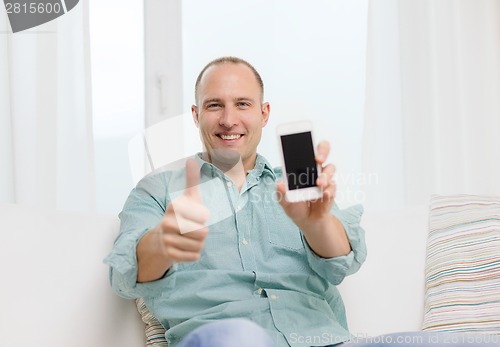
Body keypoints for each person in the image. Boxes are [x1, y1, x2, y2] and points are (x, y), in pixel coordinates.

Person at [104, 57, 496, 347]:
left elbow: (345, 258)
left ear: (264, 112)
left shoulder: (297, 185)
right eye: (214, 105)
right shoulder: (159, 189)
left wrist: (314, 224)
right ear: (195, 115)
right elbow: (125, 274)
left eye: (242, 104)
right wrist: (164, 240)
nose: (228, 119)